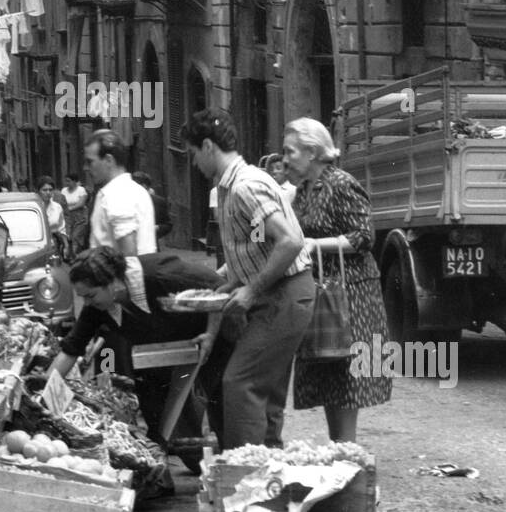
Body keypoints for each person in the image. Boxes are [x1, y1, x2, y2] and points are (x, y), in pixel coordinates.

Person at [182, 107, 314, 449]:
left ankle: (244, 478)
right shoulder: (230, 189)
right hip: (279, 292)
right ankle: (268, 477)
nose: (194, 162)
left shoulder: (245, 186)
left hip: (285, 294)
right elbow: (259, 243)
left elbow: (290, 241)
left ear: (208, 147)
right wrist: (232, 281)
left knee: (241, 383)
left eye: (194, 153)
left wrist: (252, 289)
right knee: (264, 394)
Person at [50, 248, 228, 470]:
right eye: (82, 297)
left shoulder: (161, 275)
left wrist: (211, 333)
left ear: (113, 283)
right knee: (158, 418)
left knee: (223, 405)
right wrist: (45, 392)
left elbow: (218, 287)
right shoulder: (97, 307)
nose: (86, 303)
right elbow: (71, 348)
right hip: (162, 352)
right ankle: (162, 474)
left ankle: (231, 466)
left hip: (216, 335)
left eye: (90, 295)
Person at [282, 117, 391, 443]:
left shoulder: (341, 183)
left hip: (351, 295)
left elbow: (364, 237)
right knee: (328, 372)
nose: (285, 159)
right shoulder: (304, 189)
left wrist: (317, 245)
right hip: (324, 290)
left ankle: (348, 456)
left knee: (345, 376)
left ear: (312, 152)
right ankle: (341, 452)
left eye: (290, 152)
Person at [84, 129, 156, 310]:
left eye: (90, 162)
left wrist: (118, 297)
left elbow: (128, 253)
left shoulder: (117, 194)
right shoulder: (132, 189)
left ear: (108, 160)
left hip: (119, 300)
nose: (86, 168)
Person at [132, 171, 172, 241]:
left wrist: (156, 228)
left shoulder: (158, 202)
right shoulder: (123, 201)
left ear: (144, 186)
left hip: (150, 246)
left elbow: (168, 225)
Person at [35, 174, 68, 258]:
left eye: (50, 190)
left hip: (55, 244)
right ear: (38, 191)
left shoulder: (57, 207)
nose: (48, 193)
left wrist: (66, 246)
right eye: (44, 190)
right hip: (37, 245)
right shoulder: (34, 208)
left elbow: (61, 228)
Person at [59, 172, 90, 254]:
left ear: (74, 181)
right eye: (66, 181)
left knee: (76, 237)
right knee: (68, 237)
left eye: (69, 181)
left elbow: (81, 203)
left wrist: (70, 208)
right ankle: (69, 256)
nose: (67, 183)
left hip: (79, 217)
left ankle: (76, 256)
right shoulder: (64, 190)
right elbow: (61, 202)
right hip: (67, 218)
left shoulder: (81, 190)